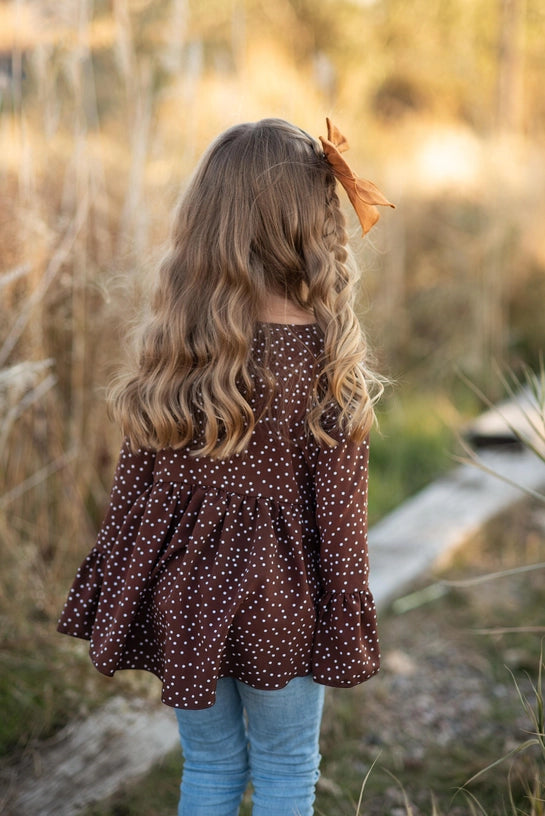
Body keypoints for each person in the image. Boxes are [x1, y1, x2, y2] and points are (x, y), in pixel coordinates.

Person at [57, 117, 393, 816]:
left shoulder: (176, 355)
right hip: (283, 606)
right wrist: (346, 621)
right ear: (313, 221)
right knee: (284, 768)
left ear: (205, 223)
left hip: (184, 597)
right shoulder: (327, 368)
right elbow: (337, 525)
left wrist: (116, 588)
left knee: (208, 767)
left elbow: (133, 496)